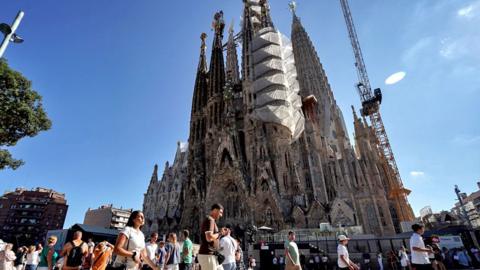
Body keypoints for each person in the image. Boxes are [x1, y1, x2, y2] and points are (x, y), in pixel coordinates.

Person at [198, 203, 223, 270]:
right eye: (220, 212)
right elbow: (209, 238)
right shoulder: (210, 220)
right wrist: (220, 233)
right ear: (215, 210)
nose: (221, 215)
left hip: (212, 255)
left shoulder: (212, 221)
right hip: (207, 255)